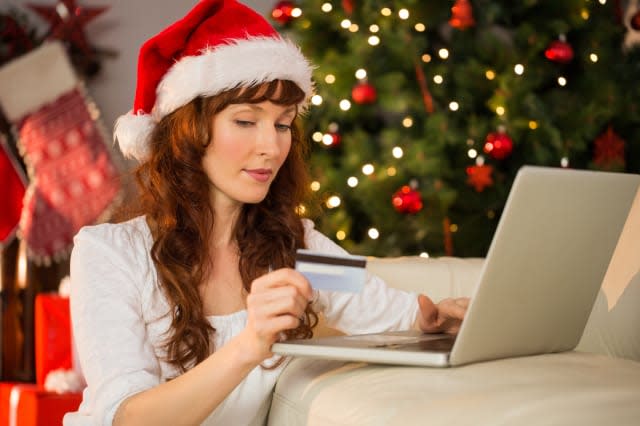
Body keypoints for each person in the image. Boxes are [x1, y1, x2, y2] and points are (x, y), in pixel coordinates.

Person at [64, 1, 469, 425]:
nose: (271, 147)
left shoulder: (300, 250)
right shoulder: (109, 255)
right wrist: (250, 345)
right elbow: (127, 419)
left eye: (282, 124)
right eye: (245, 121)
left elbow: (386, 308)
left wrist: (437, 317)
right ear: (189, 131)